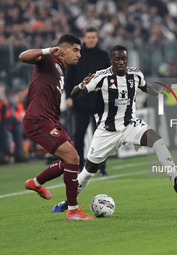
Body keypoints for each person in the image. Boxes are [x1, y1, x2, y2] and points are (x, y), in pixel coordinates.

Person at [52, 45, 177, 212]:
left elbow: (145, 86)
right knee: (89, 170)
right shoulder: (100, 77)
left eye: (124, 58)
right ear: (111, 60)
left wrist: (158, 94)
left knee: (157, 140)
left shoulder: (135, 74)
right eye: (117, 59)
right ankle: (68, 202)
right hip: (106, 131)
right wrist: (81, 86)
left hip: (130, 125)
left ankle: (175, 179)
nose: (121, 62)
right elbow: (74, 94)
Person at [19, 34, 93, 221]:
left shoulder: (61, 69)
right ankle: (73, 211)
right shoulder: (49, 59)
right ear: (64, 49)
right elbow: (22, 56)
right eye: (75, 50)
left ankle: (35, 183)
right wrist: (48, 50)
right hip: (37, 120)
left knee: (68, 161)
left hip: (50, 121)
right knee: (73, 157)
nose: (79, 55)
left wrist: (83, 86)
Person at [64, 26, 110, 176]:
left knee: (101, 137)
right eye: (88, 37)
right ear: (84, 39)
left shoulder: (103, 56)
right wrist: (69, 97)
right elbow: (69, 79)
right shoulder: (77, 55)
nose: (90, 40)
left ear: (97, 39)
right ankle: (78, 168)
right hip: (81, 103)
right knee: (79, 136)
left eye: (93, 37)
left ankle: (101, 167)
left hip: (99, 103)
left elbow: (110, 79)